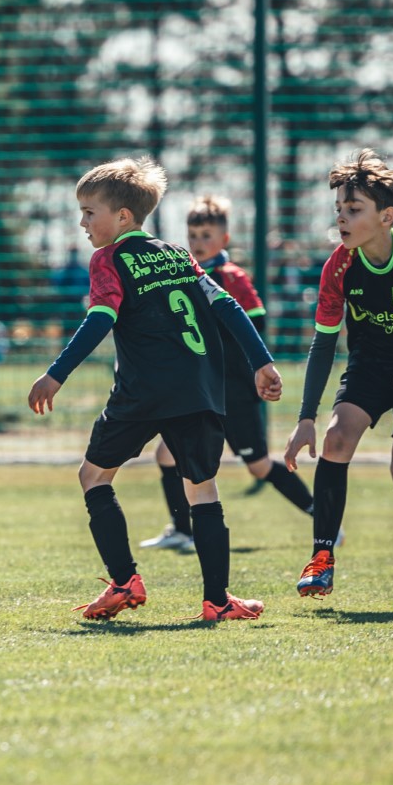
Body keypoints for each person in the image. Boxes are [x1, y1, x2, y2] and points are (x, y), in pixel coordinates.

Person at [27, 157, 282, 622]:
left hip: (142, 392)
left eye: (89, 213)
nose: (83, 223)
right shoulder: (178, 255)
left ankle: (125, 581)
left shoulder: (109, 258)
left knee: (94, 477)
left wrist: (56, 373)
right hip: (198, 390)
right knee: (202, 489)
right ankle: (217, 601)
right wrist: (262, 361)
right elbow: (227, 306)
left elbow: (99, 319)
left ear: (123, 216)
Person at [284, 149, 393, 610]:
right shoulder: (338, 266)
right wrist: (306, 418)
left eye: (354, 209)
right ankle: (321, 559)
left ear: (387, 217)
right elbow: (323, 344)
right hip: (370, 365)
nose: (342, 218)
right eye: (339, 209)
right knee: (337, 438)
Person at [139, 194, 320, 552]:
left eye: (206, 235)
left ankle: (322, 517)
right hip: (200, 389)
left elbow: (255, 324)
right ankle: (183, 530)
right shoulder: (184, 276)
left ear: (224, 239)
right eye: (193, 235)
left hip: (233, 390)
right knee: (166, 454)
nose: (198, 242)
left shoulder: (232, 277)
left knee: (257, 465)